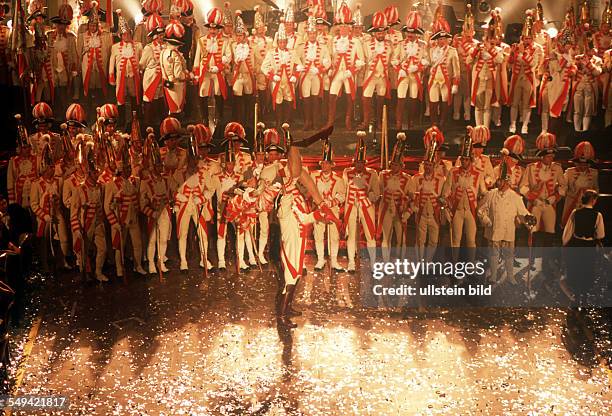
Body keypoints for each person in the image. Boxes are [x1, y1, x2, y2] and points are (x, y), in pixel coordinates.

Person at [478, 163, 535, 284]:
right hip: (494, 230)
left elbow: (523, 212)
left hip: (508, 230)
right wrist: (486, 220)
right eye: (498, 180)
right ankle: (493, 276)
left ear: (507, 181)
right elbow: (480, 210)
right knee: (493, 254)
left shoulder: (515, 197)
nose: (498, 182)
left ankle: (510, 277)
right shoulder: (491, 194)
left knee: (509, 255)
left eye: (500, 180)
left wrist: (529, 218)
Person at [308, 139, 346, 304]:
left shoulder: (338, 179)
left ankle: (334, 259)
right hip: (318, 211)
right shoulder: (314, 177)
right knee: (318, 235)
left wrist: (333, 202)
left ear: (332, 164)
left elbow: (342, 195)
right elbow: (310, 191)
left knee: (334, 237)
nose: (325, 166)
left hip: (332, 211)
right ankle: (321, 259)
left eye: (327, 163)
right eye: (323, 163)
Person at [441, 131, 487, 257]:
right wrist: (446, 209)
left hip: (471, 210)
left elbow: (484, 192)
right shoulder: (453, 172)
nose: (464, 162)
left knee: (471, 241)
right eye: (463, 159)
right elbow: (445, 192)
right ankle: (455, 265)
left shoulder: (478, 173)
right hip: (457, 210)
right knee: (455, 240)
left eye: (467, 160)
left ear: (471, 160)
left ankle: (470, 266)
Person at [103, 148, 146, 277]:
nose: (128, 170)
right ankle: (119, 268)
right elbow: (107, 206)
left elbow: (138, 197)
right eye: (125, 168)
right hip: (120, 219)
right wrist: (114, 222)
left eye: (129, 168)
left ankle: (137, 266)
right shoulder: (111, 184)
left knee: (137, 243)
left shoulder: (136, 181)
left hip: (133, 218)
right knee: (119, 245)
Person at [69, 142, 108, 282]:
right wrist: (76, 229)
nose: (97, 174)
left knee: (102, 249)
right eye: (95, 172)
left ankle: (98, 272)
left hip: (98, 222)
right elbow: (73, 213)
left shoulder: (100, 187)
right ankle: (83, 273)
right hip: (84, 224)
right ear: (89, 172)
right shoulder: (79, 189)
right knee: (83, 252)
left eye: (98, 171)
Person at [30, 144, 71, 271]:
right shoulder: (36, 184)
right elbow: (34, 204)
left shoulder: (58, 181)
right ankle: (46, 264)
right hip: (44, 217)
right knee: (45, 242)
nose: (53, 169)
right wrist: (45, 216)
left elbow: (67, 180)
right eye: (50, 167)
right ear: (45, 169)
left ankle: (63, 261)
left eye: (53, 167)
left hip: (57, 213)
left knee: (63, 238)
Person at [343, 131, 379, 272]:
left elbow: (376, 193)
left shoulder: (372, 174)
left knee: (370, 235)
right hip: (351, 206)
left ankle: (373, 263)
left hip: (366, 206)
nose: (359, 165)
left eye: (361, 162)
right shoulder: (347, 172)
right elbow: (345, 188)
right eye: (357, 162)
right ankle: (351, 262)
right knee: (351, 235)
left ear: (365, 162)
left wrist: (369, 193)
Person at [140, 132, 175, 274]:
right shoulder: (146, 183)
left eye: (161, 165)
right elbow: (142, 204)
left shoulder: (166, 179)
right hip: (153, 214)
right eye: (157, 165)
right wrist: (152, 212)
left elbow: (172, 194)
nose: (160, 168)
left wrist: (171, 201)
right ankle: (151, 264)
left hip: (165, 212)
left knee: (164, 239)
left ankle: (160, 262)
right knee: (152, 240)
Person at [562, 189, 605, 304]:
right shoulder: (598, 215)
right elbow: (600, 234)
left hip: (577, 244)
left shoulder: (575, 213)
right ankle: (584, 293)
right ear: (593, 200)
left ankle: (576, 293)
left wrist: (565, 243)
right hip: (589, 245)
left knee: (576, 267)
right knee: (587, 268)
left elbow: (568, 230)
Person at [327, 2, 365, 129]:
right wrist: (331, 68)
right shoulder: (334, 40)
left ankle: (348, 121)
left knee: (350, 97)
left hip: (349, 72)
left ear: (350, 28)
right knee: (332, 95)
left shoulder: (356, 42)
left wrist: (352, 71)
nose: (343, 29)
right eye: (341, 27)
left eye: (345, 27)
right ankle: (330, 121)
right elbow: (332, 57)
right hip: (338, 72)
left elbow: (361, 60)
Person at [508, 10, 543, 135]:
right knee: (515, 102)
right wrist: (512, 52)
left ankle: (525, 125)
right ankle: (512, 124)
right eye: (525, 38)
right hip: (517, 77)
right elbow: (510, 63)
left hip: (528, 77)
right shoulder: (517, 46)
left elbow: (533, 63)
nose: (527, 40)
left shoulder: (537, 49)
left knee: (527, 104)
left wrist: (523, 53)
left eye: (529, 38)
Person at [377, 133, 411, 261]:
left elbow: (412, 198)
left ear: (401, 166)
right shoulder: (383, 175)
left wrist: (408, 211)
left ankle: (401, 260)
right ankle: (386, 261)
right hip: (386, 209)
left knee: (401, 238)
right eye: (392, 164)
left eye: (397, 165)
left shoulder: (407, 179)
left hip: (400, 210)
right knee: (387, 237)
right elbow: (379, 190)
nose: (394, 167)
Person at [412, 131, 445, 262]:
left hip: (434, 214)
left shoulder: (440, 180)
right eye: (426, 164)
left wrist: (441, 200)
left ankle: (429, 260)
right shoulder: (416, 179)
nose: (428, 167)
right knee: (420, 239)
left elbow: (444, 197)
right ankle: (420, 260)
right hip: (422, 213)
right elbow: (413, 196)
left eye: (430, 165)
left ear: (433, 166)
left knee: (433, 240)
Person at [193, 7, 231, 124]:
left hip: (218, 72)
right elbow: (197, 57)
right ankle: (204, 117)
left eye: (215, 29)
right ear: (208, 28)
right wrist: (196, 72)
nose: (213, 31)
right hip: (205, 72)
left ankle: (219, 116)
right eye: (210, 28)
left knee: (218, 93)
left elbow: (228, 56)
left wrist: (219, 67)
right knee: (203, 92)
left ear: (218, 29)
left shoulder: (225, 41)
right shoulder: (201, 40)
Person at [393, 7, 428, 130]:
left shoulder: (423, 45)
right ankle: (399, 122)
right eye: (408, 32)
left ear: (417, 33)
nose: (410, 35)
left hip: (415, 75)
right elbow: (394, 60)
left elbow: (426, 61)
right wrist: (399, 70)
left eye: (413, 32)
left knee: (413, 100)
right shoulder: (401, 44)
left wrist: (418, 67)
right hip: (403, 75)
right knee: (401, 99)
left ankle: (411, 122)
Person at [109, 10, 143, 129]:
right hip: (121, 77)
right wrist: (111, 75)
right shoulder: (115, 47)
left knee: (135, 98)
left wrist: (141, 72)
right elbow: (112, 62)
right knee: (121, 99)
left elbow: (141, 61)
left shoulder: (138, 46)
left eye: (128, 33)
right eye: (124, 34)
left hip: (133, 77)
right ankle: (122, 121)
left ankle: (135, 120)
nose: (126, 36)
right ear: (120, 35)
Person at [295, 15, 331, 130]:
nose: (312, 36)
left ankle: (316, 122)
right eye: (310, 34)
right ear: (307, 34)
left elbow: (328, 61)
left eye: (314, 33)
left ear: (316, 34)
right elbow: (295, 59)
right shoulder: (301, 47)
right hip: (305, 75)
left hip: (316, 75)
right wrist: (299, 66)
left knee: (316, 98)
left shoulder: (323, 47)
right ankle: (307, 122)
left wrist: (320, 69)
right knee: (306, 98)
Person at [359, 11, 393, 129]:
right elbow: (362, 58)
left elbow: (392, 59)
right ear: (374, 32)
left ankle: (379, 121)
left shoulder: (390, 45)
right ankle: (367, 121)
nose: (380, 34)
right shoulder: (367, 44)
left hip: (383, 76)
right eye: (378, 32)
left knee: (380, 100)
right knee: (366, 98)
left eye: (382, 32)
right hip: (370, 75)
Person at [261, 22, 298, 128]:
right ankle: (278, 121)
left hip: (288, 82)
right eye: (280, 42)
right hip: (277, 81)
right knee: (278, 100)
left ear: (286, 42)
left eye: (284, 42)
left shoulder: (292, 52)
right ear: (277, 42)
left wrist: (295, 75)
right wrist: (272, 76)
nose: (282, 44)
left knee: (289, 99)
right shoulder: (271, 53)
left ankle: (286, 122)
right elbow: (264, 67)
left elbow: (298, 65)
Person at [467, 24, 503, 129]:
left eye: (491, 39)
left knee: (487, 107)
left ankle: (485, 129)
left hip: (490, 82)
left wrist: (491, 50)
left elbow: (500, 60)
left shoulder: (498, 50)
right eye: (487, 38)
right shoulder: (477, 48)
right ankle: (478, 128)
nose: (489, 41)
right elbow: (468, 61)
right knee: (478, 107)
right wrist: (475, 51)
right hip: (479, 81)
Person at [562, 141, 599, 227]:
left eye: (585, 164)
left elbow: (596, 189)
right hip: (570, 205)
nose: (583, 166)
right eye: (580, 164)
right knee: (569, 226)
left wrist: (593, 200)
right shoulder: (569, 172)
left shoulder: (594, 173)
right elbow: (562, 187)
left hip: (587, 206)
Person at [452, 4, 478, 122]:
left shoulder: (476, 43)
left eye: (470, 30)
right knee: (457, 93)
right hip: (458, 70)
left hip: (470, 71)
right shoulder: (457, 40)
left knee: (467, 93)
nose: (468, 32)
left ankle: (467, 113)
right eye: (466, 30)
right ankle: (456, 112)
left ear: (473, 31)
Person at [229, 12, 256, 126]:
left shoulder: (250, 47)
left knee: (248, 98)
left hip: (248, 75)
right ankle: (237, 120)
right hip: (237, 75)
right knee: (237, 98)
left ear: (245, 36)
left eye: (241, 35)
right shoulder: (233, 46)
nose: (239, 37)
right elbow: (230, 59)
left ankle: (248, 120)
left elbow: (253, 62)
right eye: (237, 35)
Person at [7, 115, 38, 209]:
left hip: (35, 197)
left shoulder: (36, 159)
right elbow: (10, 181)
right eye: (24, 148)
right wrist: (12, 202)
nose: (27, 150)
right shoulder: (14, 161)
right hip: (20, 197)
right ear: (20, 148)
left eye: (28, 147)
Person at [161, 21, 189, 116]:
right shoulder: (175, 55)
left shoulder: (163, 52)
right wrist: (188, 75)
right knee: (177, 110)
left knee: (170, 108)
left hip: (167, 83)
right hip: (176, 85)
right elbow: (178, 74)